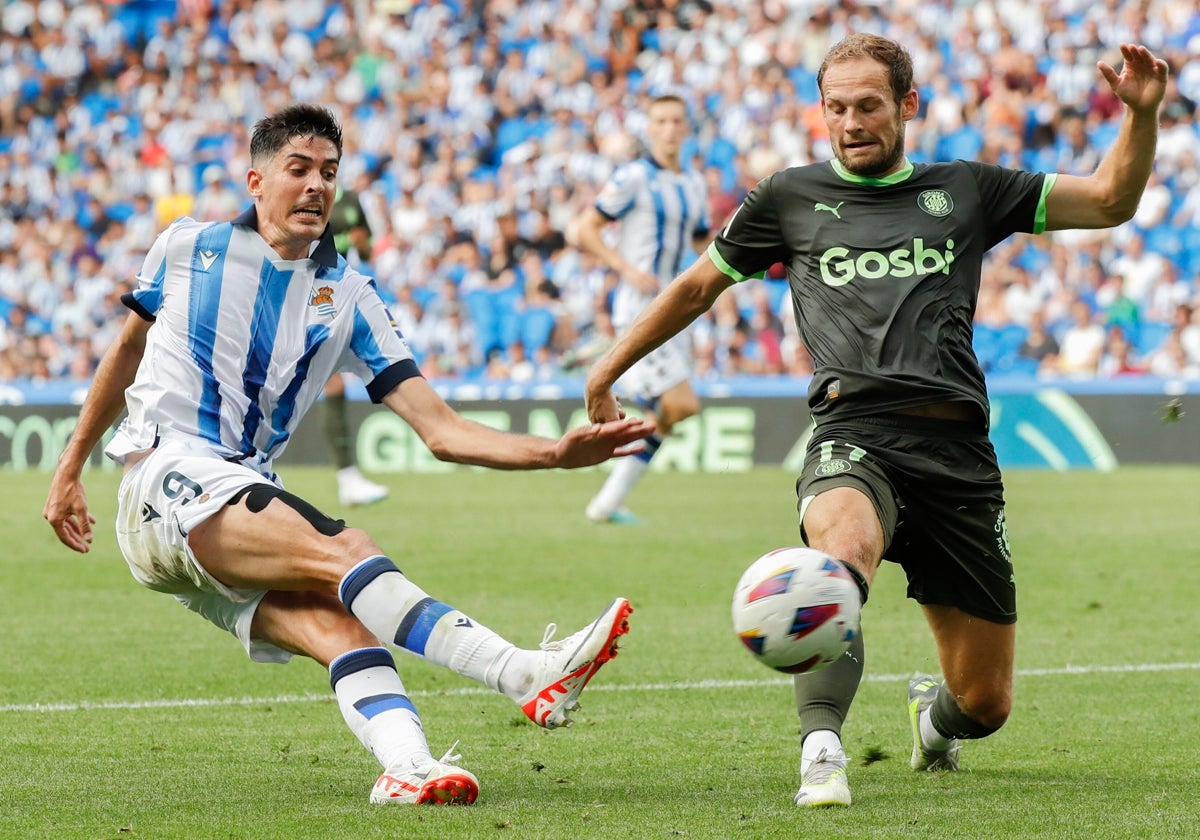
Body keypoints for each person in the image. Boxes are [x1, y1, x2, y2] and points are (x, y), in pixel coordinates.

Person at [584, 35, 1167, 808]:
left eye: (868, 105)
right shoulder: (788, 197)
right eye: (835, 108)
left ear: (907, 106)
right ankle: (821, 749)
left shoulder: (966, 188)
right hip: (853, 436)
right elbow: (695, 289)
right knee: (841, 555)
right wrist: (606, 369)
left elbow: (1109, 201)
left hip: (958, 456)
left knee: (986, 704)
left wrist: (1141, 118)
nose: (851, 122)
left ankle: (934, 724)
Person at [43, 105, 655, 807]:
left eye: (328, 173)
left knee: (344, 626)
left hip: (221, 504)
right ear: (256, 180)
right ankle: (520, 672)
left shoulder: (352, 295)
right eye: (298, 169)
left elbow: (442, 429)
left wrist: (553, 454)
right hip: (166, 477)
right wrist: (69, 468)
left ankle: (407, 767)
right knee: (347, 547)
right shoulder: (186, 246)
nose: (315, 186)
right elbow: (127, 350)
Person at [573, 93, 711, 524]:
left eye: (676, 121)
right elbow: (585, 229)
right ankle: (610, 368)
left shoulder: (694, 184)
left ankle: (607, 503)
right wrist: (625, 269)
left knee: (666, 415)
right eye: (661, 121)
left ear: (686, 128)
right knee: (682, 404)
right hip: (640, 306)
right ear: (649, 129)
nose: (669, 128)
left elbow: (700, 243)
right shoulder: (633, 176)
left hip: (677, 308)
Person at [323, 181, 390, 507]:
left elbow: (366, 249)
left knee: (333, 386)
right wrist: (349, 239)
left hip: (335, 295)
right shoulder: (306, 194)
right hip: (306, 292)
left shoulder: (351, 199)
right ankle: (347, 477)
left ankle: (348, 477)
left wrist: (363, 245)